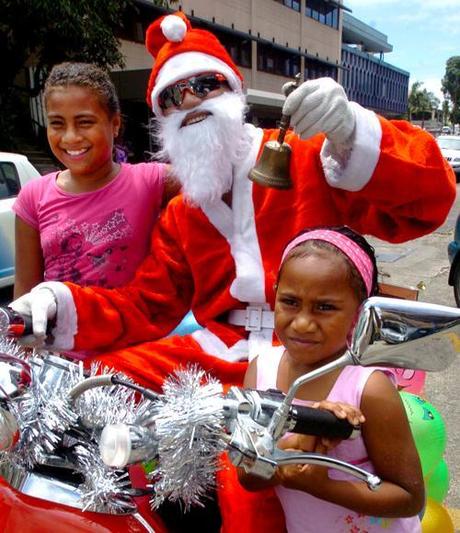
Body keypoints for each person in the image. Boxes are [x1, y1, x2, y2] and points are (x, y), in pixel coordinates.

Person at [10, 11, 454, 532]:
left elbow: (430, 203)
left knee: (247, 491)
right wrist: (57, 302)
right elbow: (146, 306)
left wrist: (350, 130)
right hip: (222, 357)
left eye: (205, 84)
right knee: (89, 385)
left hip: (314, 356)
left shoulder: (310, 158)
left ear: (233, 88)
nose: (190, 102)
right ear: (161, 118)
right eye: (172, 97)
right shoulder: (182, 210)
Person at [237, 226, 424, 532]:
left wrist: (321, 485)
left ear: (359, 313)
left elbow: (409, 497)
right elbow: (247, 477)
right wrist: (287, 454)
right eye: (290, 302)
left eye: (325, 307)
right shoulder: (261, 370)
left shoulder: (369, 389)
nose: (303, 323)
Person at [13, 62, 179, 298]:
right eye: (57, 123)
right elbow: (24, 294)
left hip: (135, 330)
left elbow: (221, 178)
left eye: (85, 122)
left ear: (115, 124)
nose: (70, 137)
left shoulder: (151, 181)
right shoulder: (33, 196)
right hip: (59, 333)